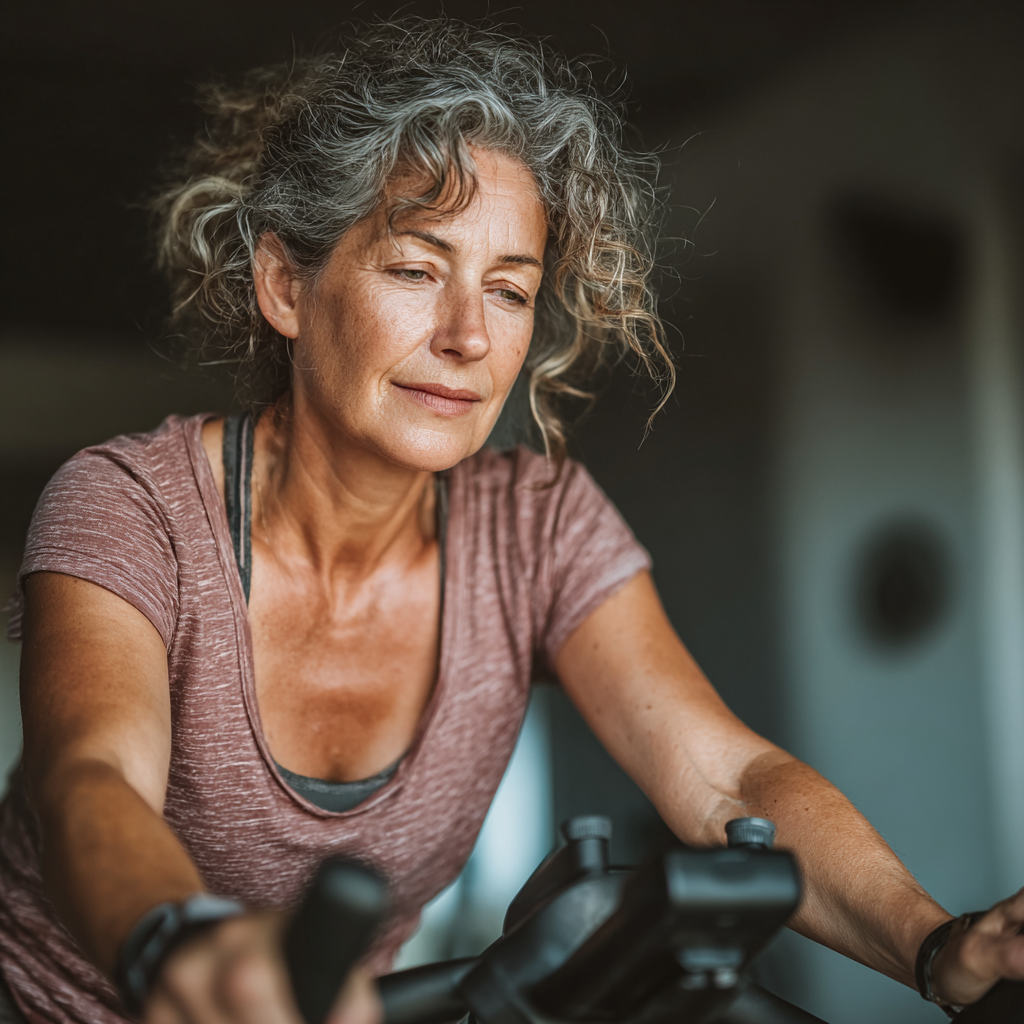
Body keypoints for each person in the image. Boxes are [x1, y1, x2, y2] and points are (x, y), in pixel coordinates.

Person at [1, 16, 1021, 1024]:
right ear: (285, 283)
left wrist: (933, 945)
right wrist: (179, 939)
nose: (467, 337)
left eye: (509, 290)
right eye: (414, 270)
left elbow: (727, 778)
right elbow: (90, 774)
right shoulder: (132, 504)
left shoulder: (536, 529)